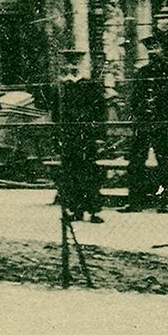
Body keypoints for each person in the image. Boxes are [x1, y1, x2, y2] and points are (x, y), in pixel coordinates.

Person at [122, 33, 168, 212]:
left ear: (163, 51)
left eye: (156, 49)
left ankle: (166, 201)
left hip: (163, 124)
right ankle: (135, 201)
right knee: (135, 162)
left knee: (163, 163)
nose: (153, 52)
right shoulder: (142, 73)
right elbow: (134, 99)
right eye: (150, 50)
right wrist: (137, 116)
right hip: (143, 124)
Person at [50, 49, 106, 223]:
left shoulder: (91, 85)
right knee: (70, 174)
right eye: (69, 63)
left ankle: (94, 210)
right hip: (68, 136)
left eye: (76, 63)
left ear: (81, 65)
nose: (72, 67)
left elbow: (99, 113)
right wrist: (56, 138)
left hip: (87, 136)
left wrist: (99, 136)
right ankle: (75, 210)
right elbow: (55, 116)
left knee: (90, 172)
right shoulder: (60, 88)